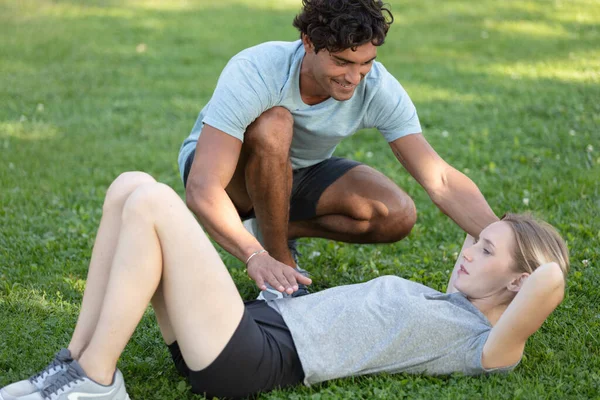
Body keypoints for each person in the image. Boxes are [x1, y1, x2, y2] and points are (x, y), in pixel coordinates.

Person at [1, 172, 569, 400]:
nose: (468, 250)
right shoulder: (444, 303)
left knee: (151, 201)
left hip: (255, 358)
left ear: (519, 283)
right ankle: (73, 364)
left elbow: (549, 281)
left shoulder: (482, 345)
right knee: (129, 187)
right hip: (244, 329)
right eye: (474, 239)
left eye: (486, 249)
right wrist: (494, 248)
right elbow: (501, 272)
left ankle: (98, 383)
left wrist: (522, 260)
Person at [180, 0, 500, 299]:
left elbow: (440, 178)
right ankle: (281, 266)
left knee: (397, 213)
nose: (353, 78)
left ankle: (267, 226)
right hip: (230, 177)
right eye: (342, 62)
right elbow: (202, 185)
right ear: (308, 42)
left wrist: (505, 239)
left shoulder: (376, 88)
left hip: (299, 171)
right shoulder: (257, 71)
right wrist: (254, 255)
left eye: (365, 64)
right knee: (274, 123)